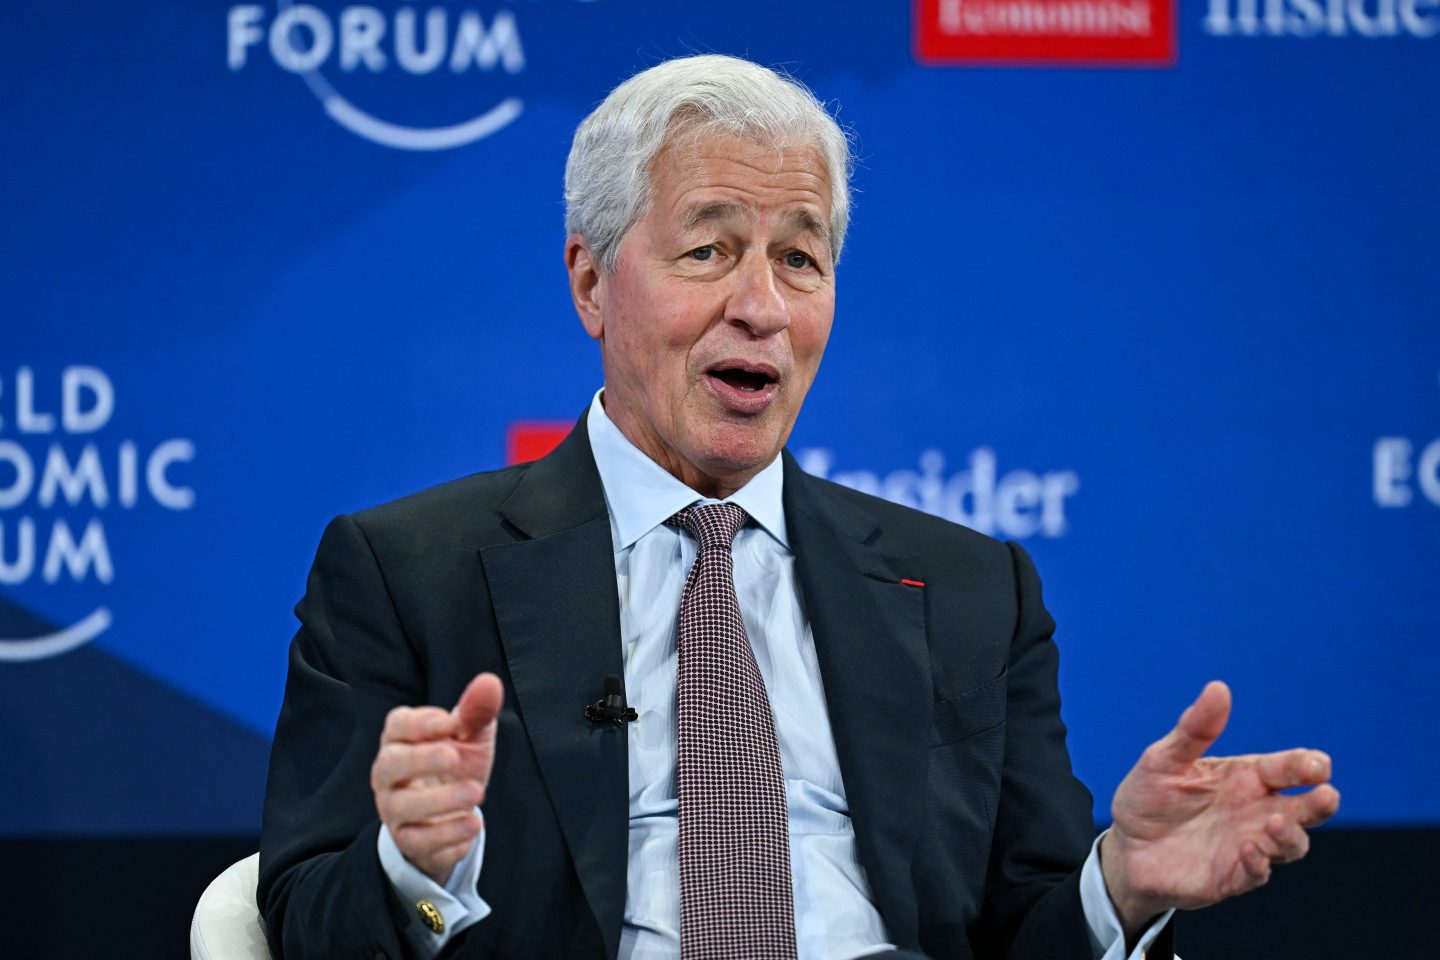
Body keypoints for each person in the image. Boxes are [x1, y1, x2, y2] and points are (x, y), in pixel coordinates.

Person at [257, 54, 1340, 960]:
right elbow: (303, 924)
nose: (763, 307)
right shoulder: (408, 572)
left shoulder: (972, 592)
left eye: (800, 258)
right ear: (591, 282)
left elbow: (1025, 931)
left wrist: (1123, 885)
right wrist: (414, 867)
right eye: (709, 251)